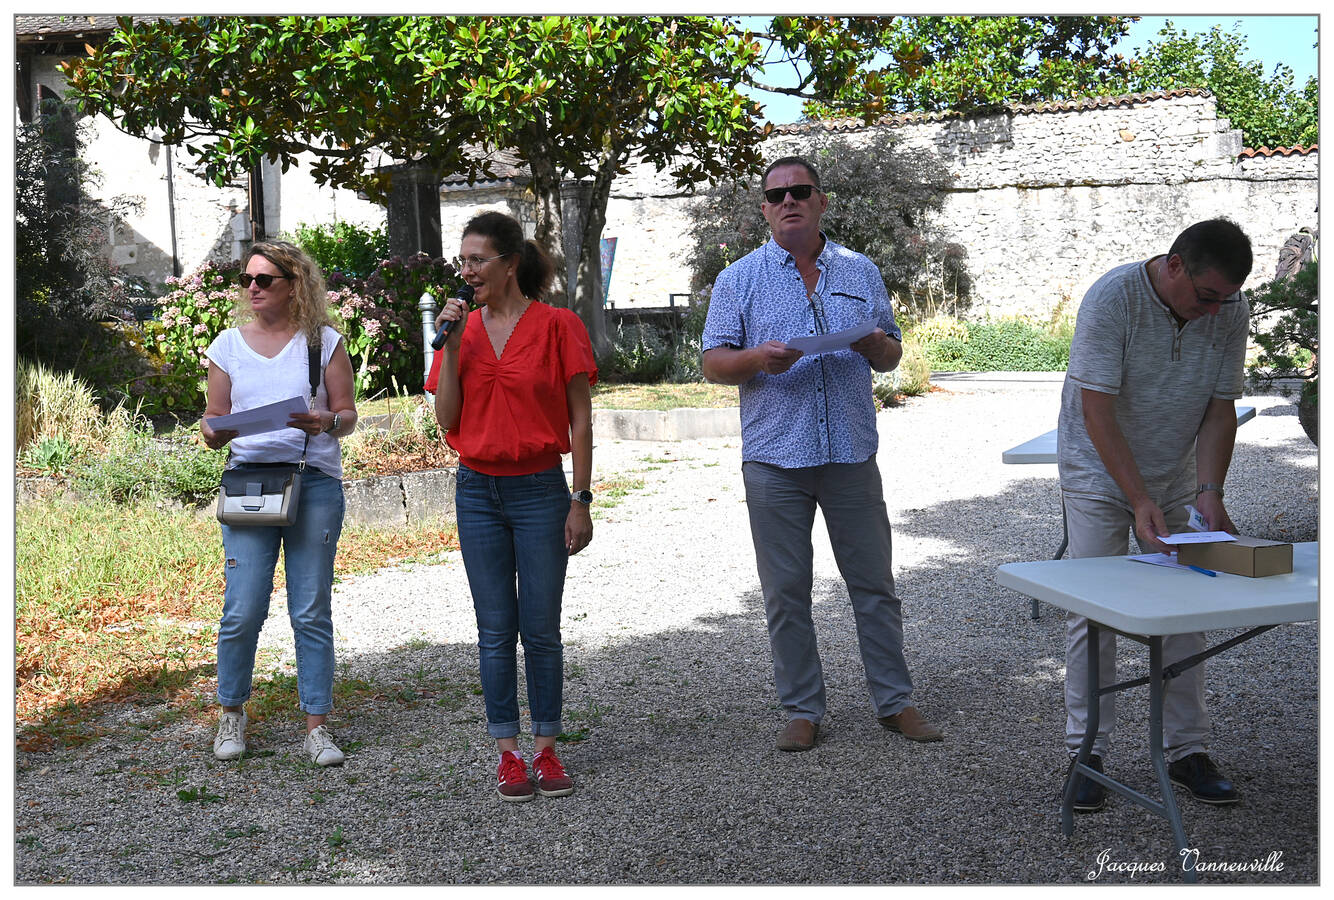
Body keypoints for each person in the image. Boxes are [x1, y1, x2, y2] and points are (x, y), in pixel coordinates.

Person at [700, 156, 942, 752]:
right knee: (786, 592)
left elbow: (891, 354)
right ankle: (802, 709)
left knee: (874, 584)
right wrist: (758, 359)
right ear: (764, 209)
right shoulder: (738, 279)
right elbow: (712, 363)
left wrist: (877, 345)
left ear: (821, 201)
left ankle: (896, 702)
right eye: (776, 195)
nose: (789, 201)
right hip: (774, 459)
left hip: (850, 453)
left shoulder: (860, 270)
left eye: (800, 191)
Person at [1058, 218, 1253, 812]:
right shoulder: (1113, 298)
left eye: (1225, 299)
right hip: (1097, 471)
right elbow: (1096, 410)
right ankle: (1086, 754)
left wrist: (1210, 490)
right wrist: (1137, 498)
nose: (1216, 311)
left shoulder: (1229, 306)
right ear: (1174, 266)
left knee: (1185, 604)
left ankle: (1187, 750)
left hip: (1175, 472)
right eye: (1206, 296)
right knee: (1093, 609)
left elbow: (1220, 408)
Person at [429, 211, 596, 802]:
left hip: (540, 491)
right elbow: (446, 418)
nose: (468, 270)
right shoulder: (461, 331)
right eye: (463, 261)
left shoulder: (558, 326)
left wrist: (580, 498)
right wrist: (451, 347)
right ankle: (507, 753)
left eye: (478, 260)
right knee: (495, 630)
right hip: (477, 491)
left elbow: (581, 419)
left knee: (541, 629)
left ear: (510, 264)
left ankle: (546, 749)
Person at [200, 240, 358, 766]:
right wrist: (214, 431)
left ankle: (317, 727)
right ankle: (231, 714)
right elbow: (212, 418)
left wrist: (327, 422)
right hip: (249, 482)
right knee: (242, 608)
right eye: (247, 279)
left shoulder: (323, 342)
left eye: (264, 279)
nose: (252, 288)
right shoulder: (227, 346)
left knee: (310, 609)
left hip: (312, 483)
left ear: (295, 285)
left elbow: (347, 414)